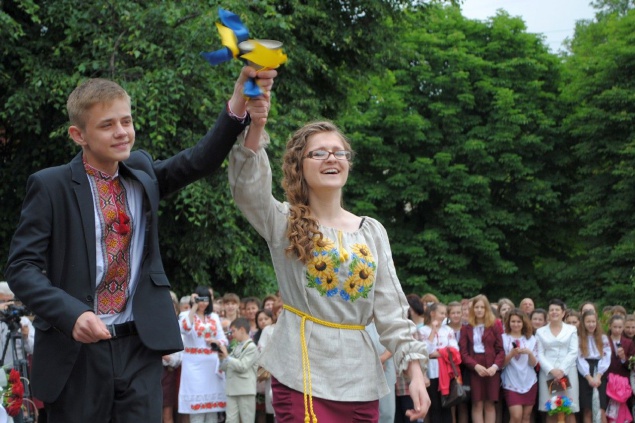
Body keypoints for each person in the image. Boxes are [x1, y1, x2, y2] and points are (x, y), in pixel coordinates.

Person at [4, 66, 277, 422]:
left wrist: (240, 97)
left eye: (126, 121)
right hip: (77, 352)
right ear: (78, 134)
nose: (121, 132)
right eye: (107, 125)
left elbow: (199, 160)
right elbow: (21, 269)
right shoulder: (50, 186)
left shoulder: (142, 173)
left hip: (139, 345)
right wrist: (72, 314)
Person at [228, 118, 430, 422]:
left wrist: (414, 371)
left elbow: (391, 312)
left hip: (360, 382)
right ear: (299, 165)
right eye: (319, 153)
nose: (332, 158)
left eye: (339, 152)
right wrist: (255, 124)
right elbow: (247, 190)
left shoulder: (372, 231)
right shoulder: (283, 221)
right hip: (301, 376)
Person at [179, 286, 228, 422]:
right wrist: (193, 307)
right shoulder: (186, 315)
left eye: (206, 299)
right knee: (197, 409)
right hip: (193, 364)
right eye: (200, 299)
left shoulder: (214, 316)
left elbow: (224, 339)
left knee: (211, 410)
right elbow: (185, 328)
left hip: (212, 364)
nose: (203, 303)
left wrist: (216, 341)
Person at [459, 294, 504, 423]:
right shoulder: (466, 327)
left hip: (491, 367)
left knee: (490, 404)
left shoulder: (494, 325)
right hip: (474, 367)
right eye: (476, 307)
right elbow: (463, 352)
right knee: (477, 404)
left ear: (487, 309)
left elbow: (500, 350)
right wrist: (475, 366)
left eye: (482, 307)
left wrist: (495, 367)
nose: (479, 310)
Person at [536, 299, 580, 423]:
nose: (554, 312)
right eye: (551, 310)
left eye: (557, 310)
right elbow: (539, 353)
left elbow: (573, 351)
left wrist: (561, 371)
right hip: (548, 373)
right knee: (551, 407)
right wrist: (552, 370)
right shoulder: (540, 331)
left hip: (567, 372)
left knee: (569, 408)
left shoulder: (571, 329)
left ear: (563, 313)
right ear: (548, 313)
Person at [421, 302, 457, 423]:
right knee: (435, 406)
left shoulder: (448, 330)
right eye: (441, 313)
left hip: (446, 372)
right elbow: (425, 352)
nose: (444, 316)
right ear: (432, 313)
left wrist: (437, 353)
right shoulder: (423, 330)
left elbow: (454, 350)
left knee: (446, 406)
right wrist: (433, 332)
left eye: (445, 313)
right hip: (431, 372)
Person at [218, 317, 259, 423]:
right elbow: (224, 368)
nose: (231, 334)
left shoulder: (252, 347)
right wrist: (222, 358)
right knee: (230, 420)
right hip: (232, 389)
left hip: (245, 390)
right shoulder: (236, 347)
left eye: (233, 331)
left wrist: (227, 357)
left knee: (247, 420)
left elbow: (242, 366)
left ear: (242, 330)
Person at [501, 309, 538, 423]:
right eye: (513, 321)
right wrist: (511, 354)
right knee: (516, 416)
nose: (516, 324)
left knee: (526, 417)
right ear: (508, 322)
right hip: (511, 381)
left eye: (518, 321)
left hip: (529, 381)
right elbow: (501, 364)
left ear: (523, 323)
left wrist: (529, 353)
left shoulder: (531, 339)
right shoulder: (503, 338)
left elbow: (534, 363)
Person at [576, 310, 610, 423]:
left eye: (593, 321)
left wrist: (599, 376)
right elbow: (579, 359)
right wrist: (589, 377)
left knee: (601, 409)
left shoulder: (603, 338)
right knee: (588, 410)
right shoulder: (579, 339)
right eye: (588, 322)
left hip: (600, 372)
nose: (591, 324)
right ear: (583, 323)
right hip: (585, 373)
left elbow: (606, 356)